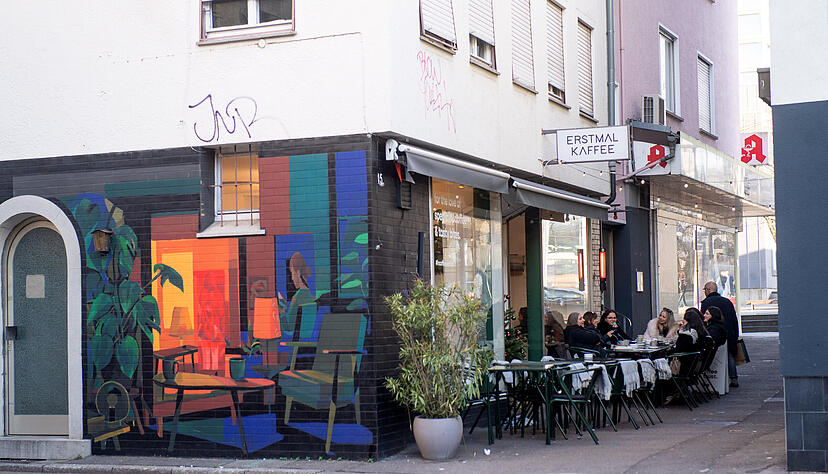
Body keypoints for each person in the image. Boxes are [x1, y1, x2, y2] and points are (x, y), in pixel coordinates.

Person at [700, 281, 740, 387]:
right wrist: (735, 334)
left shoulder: (706, 303)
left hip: (713, 333)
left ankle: (713, 379)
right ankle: (733, 377)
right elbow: (734, 320)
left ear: (708, 290)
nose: (705, 292)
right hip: (728, 333)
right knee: (729, 354)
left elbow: (702, 320)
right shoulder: (727, 301)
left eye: (705, 290)